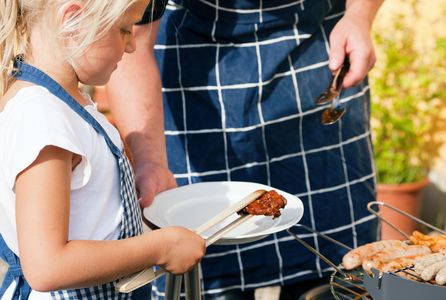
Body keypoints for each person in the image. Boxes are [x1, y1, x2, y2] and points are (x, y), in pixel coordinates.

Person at [106, 0, 384, 299]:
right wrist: (151, 162)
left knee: (340, 272)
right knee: (202, 272)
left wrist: (359, 15)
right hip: (196, 83)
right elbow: (134, 38)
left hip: (317, 63)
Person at [0, 0, 205, 299]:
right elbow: (47, 266)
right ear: (73, 22)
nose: (132, 45)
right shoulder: (43, 117)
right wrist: (162, 246)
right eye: (124, 28)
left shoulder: (62, 102)